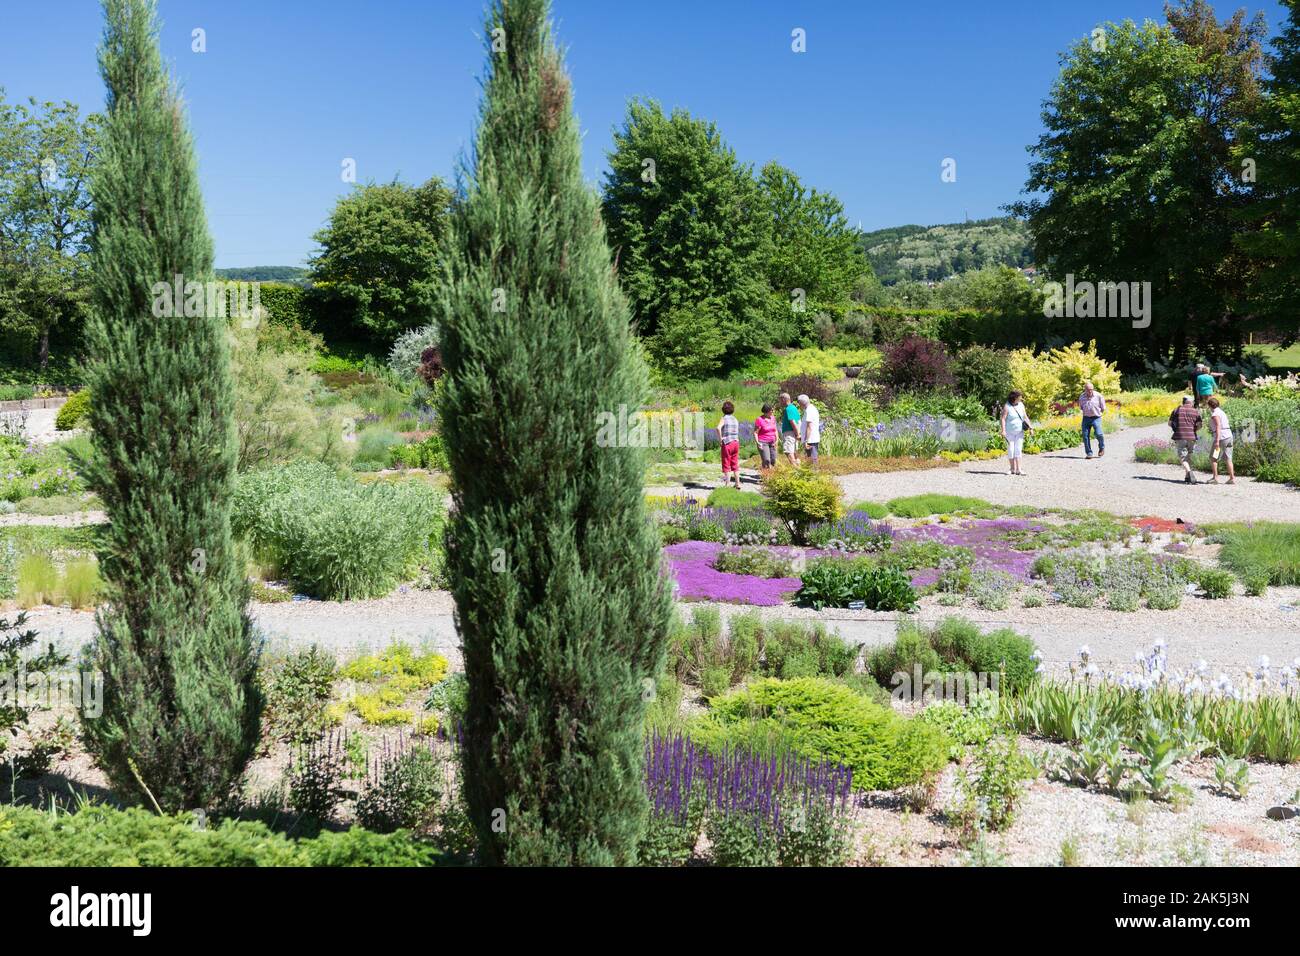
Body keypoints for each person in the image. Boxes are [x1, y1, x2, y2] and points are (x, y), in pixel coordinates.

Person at [1169, 395, 1203, 484]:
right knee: (1189, 455)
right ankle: (1187, 477)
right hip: (1192, 436)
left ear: (1183, 402)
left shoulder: (1176, 410)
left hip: (1180, 436)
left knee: (1182, 456)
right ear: (1191, 402)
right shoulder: (1196, 412)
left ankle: (1189, 472)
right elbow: (1200, 425)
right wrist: (1194, 430)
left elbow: (1170, 423)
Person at [1000, 389, 1031, 476]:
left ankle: (1019, 469)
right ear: (1015, 398)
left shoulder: (1021, 405)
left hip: (1019, 431)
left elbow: (1025, 417)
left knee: (1018, 450)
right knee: (1011, 450)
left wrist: (1031, 428)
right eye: (1020, 397)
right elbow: (1003, 418)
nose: (1021, 398)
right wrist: (1003, 430)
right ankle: (1012, 469)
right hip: (1009, 432)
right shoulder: (1007, 406)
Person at [1206, 396, 1235, 484]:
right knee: (1228, 458)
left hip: (1221, 438)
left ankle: (1215, 478)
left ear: (1210, 406)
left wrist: (1217, 441)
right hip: (1228, 436)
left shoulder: (1215, 414)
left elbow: (1218, 426)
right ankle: (1232, 478)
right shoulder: (1222, 412)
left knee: (1213, 457)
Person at [1077, 380, 1106, 459]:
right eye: (1088, 390)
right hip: (1086, 418)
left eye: (1091, 389)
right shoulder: (1082, 397)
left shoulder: (1099, 396)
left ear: (1093, 389)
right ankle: (1089, 453)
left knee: (1099, 434)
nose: (1090, 391)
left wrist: (1097, 413)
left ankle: (1101, 448)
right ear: (1085, 389)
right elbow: (1081, 407)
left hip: (1096, 417)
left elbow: (1103, 408)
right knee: (1085, 436)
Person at [716, 400, 741, 489]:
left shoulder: (724, 418)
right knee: (735, 463)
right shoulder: (735, 419)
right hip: (736, 442)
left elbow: (718, 428)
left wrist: (720, 439)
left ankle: (727, 484)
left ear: (723, 410)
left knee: (726, 463)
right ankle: (738, 483)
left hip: (727, 443)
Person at [754, 404, 778, 473]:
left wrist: (776, 440)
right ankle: (766, 476)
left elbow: (775, 430)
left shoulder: (773, 418)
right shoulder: (759, 420)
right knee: (766, 460)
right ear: (767, 411)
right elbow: (755, 432)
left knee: (773, 460)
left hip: (772, 442)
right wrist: (758, 442)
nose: (773, 412)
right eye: (771, 410)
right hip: (763, 442)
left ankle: (770, 474)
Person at [797, 394, 821, 463]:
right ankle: (813, 472)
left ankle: (814, 473)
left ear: (801, 403)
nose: (799, 405)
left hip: (811, 440)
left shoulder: (809, 410)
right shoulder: (811, 408)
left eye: (799, 403)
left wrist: (806, 440)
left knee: (812, 460)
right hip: (811, 439)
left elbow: (809, 427)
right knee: (810, 459)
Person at [779, 391, 801, 466]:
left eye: (780, 400)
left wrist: (797, 434)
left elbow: (793, 422)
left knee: (788, 452)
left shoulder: (789, 409)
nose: (780, 402)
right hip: (793, 433)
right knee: (794, 452)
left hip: (789, 433)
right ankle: (800, 470)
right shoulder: (794, 408)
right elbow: (798, 421)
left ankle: (795, 470)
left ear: (784, 400)